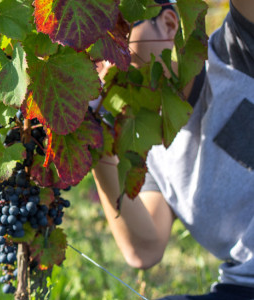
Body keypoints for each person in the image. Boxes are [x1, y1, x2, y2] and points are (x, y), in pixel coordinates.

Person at [92, 0, 254, 299]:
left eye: (116, 36)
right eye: (94, 58)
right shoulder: (148, 142)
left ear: (168, 24)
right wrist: (95, 145)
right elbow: (145, 249)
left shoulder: (239, 50)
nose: (107, 67)